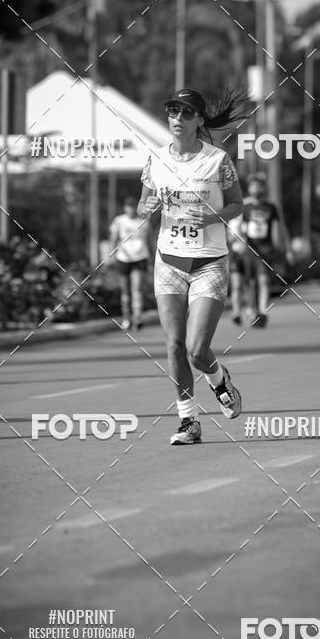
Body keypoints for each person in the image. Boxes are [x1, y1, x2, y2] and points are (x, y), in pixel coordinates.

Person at [137, 86, 247, 445]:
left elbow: (237, 205)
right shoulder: (155, 158)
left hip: (209, 262)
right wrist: (146, 208)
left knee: (197, 350)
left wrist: (213, 216)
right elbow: (145, 202)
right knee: (173, 345)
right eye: (173, 112)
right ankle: (188, 422)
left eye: (186, 113)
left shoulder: (218, 160)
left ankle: (219, 380)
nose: (178, 119)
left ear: (199, 120)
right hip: (168, 260)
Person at [241, 173, 292, 327]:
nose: (256, 189)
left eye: (259, 186)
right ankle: (250, 308)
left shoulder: (271, 206)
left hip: (266, 249)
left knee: (263, 280)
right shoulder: (244, 205)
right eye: (253, 186)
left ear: (264, 188)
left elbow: (281, 227)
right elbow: (237, 227)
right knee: (249, 281)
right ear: (249, 189)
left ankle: (262, 311)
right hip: (249, 249)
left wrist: (287, 248)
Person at [108, 196, 151, 330]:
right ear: (125, 208)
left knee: (137, 289)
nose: (131, 209)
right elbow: (113, 239)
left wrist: (153, 258)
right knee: (125, 291)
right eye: (128, 206)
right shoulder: (119, 221)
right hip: (123, 258)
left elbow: (149, 241)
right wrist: (111, 256)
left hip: (140, 257)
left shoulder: (143, 221)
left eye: (133, 206)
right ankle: (127, 318)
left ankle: (138, 318)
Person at [227, 211, 246, 325]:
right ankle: (236, 312)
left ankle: (252, 310)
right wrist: (236, 234)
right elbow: (229, 238)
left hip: (250, 255)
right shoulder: (232, 221)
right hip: (236, 255)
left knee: (249, 285)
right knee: (237, 285)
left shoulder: (250, 217)